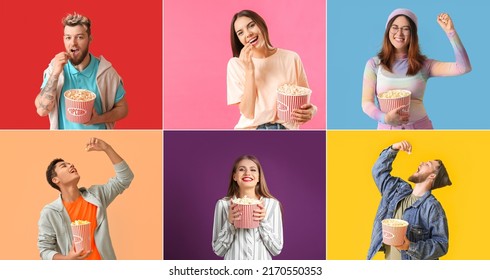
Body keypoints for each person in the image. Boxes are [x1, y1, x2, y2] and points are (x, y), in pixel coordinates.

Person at [362, 9, 471, 129]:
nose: (399, 33)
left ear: (413, 34)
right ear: (388, 31)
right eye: (394, 27)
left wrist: (451, 32)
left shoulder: (424, 65)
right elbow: (366, 103)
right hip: (387, 135)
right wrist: (385, 118)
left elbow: (463, 67)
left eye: (406, 28)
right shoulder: (374, 64)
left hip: (421, 131)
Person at [37, 138, 134, 260]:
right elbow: (45, 250)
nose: (71, 165)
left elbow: (125, 178)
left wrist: (107, 148)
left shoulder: (97, 195)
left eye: (70, 163)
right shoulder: (50, 212)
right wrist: (68, 258)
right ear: (56, 180)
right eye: (63, 166)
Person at [35, 12, 128, 129]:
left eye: (79, 37)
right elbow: (42, 111)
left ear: (90, 39)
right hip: (64, 143)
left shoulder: (106, 72)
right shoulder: (55, 69)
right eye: (68, 37)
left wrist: (99, 118)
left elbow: (123, 108)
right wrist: (55, 73)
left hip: (97, 142)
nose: (73, 43)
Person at [227, 10, 317, 129]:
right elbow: (248, 112)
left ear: (261, 24)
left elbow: (304, 101)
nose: (248, 34)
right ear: (238, 39)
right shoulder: (236, 64)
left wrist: (313, 110)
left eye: (251, 25)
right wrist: (250, 70)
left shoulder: (291, 58)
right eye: (240, 33)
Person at [367, 140, 452, 260]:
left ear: (432, 176)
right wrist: (393, 149)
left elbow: (442, 244)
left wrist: (410, 246)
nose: (422, 163)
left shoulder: (432, 206)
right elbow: (378, 171)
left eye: (427, 164)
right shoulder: (397, 191)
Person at [212, 155, 283, 259]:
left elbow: (276, 249)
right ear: (234, 176)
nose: (247, 173)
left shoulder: (272, 205)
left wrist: (263, 221)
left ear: (259, 177)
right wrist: (230, 223)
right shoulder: (223, 205)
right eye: (241, 169)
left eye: (253, 170)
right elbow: (218, 250)